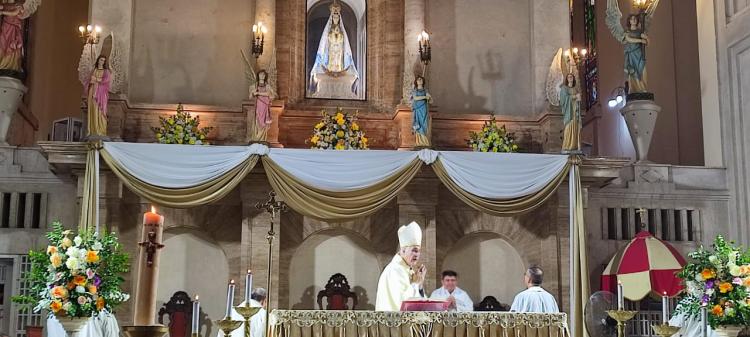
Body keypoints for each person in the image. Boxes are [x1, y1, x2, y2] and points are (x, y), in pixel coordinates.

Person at [375, 221, 426, 311]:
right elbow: (402, 304)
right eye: (414, 250)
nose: (417, 255)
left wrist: (420, 286)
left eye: (418, 251)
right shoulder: (395, 270)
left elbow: (421, 303)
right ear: (403, 251)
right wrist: (415, 284)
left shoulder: (408, 270)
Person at [84, 55, 111, 137]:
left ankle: (100, 130)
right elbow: (88, 82)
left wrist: (96, 79)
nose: (102, 62)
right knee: (92, 110)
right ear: (98, 60)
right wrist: (90, 81)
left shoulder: (106, 71)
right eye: (100, 60)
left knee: (99, 110)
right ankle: (92, 130)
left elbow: (106, 81)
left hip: (101, 93)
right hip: (92, 92)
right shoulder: (93, 70)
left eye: (103, 60)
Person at [249, 70, 276, 142]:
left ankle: (262, 140)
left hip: (264, 106)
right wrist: (252, 92)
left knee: (264, 122)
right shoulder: (254, 86)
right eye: (260, 74)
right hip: (258, 106)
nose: (262, 76)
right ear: (258, 76)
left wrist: (258, 92)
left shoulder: (267, 86)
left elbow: (270, 94)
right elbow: (250, 97)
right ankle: (256, 139)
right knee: (257, 121)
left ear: (265, 76)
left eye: (263, 75)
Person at [560, 72, 581, 153]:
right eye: (568, 77)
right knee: (568, 127)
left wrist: (578, 99)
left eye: (571, 77)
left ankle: (575, 146)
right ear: (566, 79)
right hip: (568, 113)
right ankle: (567, 146)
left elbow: (578, 100)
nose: (570, 78)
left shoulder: (576, 89)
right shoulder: (564, 88)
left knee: (575, 127)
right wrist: (575, 96)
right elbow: (563, 100)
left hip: (575, 111)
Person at [410, 75, 432, 148]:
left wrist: (430, 97)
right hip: (417, 109)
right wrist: (425, 97)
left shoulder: (425, 91)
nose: (420, 80)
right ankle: (419, 142)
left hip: (424, 109)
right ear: (416, 82)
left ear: (423, 81)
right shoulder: (415, 90)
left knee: (424, 124)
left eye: (421, 79)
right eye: (418, 79)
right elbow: (415, 98)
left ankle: (425, 141)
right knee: (418, 124)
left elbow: (431, 101)